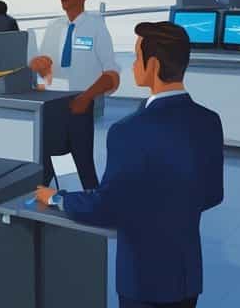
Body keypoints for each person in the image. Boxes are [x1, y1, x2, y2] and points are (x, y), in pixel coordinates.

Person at [36, 21, 224, 308]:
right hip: (186, 275)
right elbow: (212, 193)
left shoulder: (128, 131)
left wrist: (58, 198)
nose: (134, 65)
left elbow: (106, 206)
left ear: (154, 65)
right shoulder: (209, 122)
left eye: (137, 57)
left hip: (143, 280)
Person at [29, 0, 119, 189]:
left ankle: (94, 215)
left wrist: (87, 97)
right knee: (49, 169)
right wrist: (38, 66)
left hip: (80, 108)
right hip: (53, 109)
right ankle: (41, 217)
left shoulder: (96, 27)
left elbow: (111, 73)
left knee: (84, 168)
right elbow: (45, 74)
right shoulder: (53, 28)